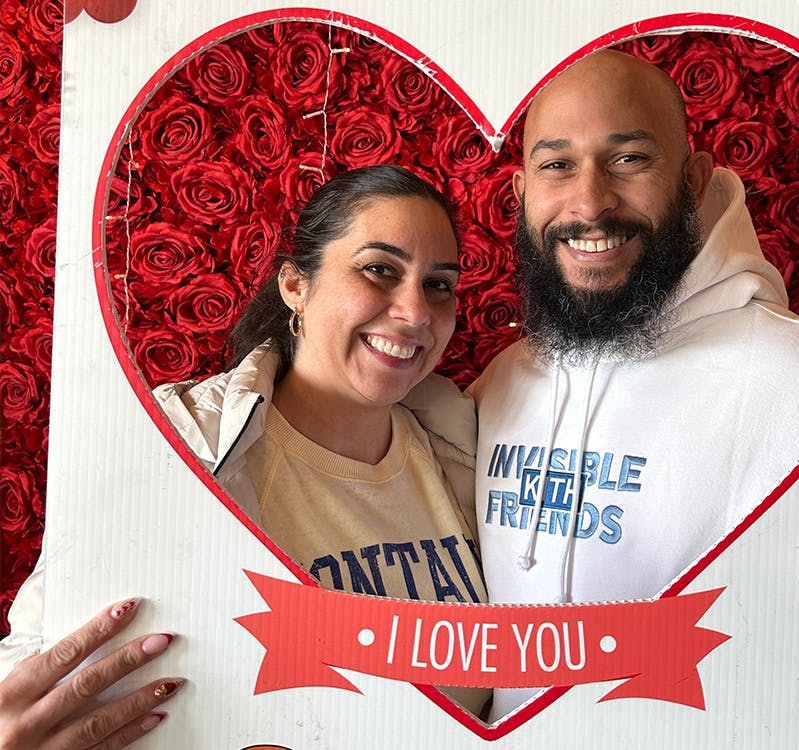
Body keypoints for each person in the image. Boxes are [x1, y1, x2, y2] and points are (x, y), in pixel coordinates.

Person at [469, 49, 799, 734]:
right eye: (556, 164)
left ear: (693, 181)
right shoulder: (503, 381)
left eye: (629, 159)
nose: (590, 201)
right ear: (521, 195)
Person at [0, 164, 488, 746]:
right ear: (295, 286)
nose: (416, 312)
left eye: (439, 284)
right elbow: (40, 658)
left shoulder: (467, 450)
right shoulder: (178, 442)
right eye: (379, 270)